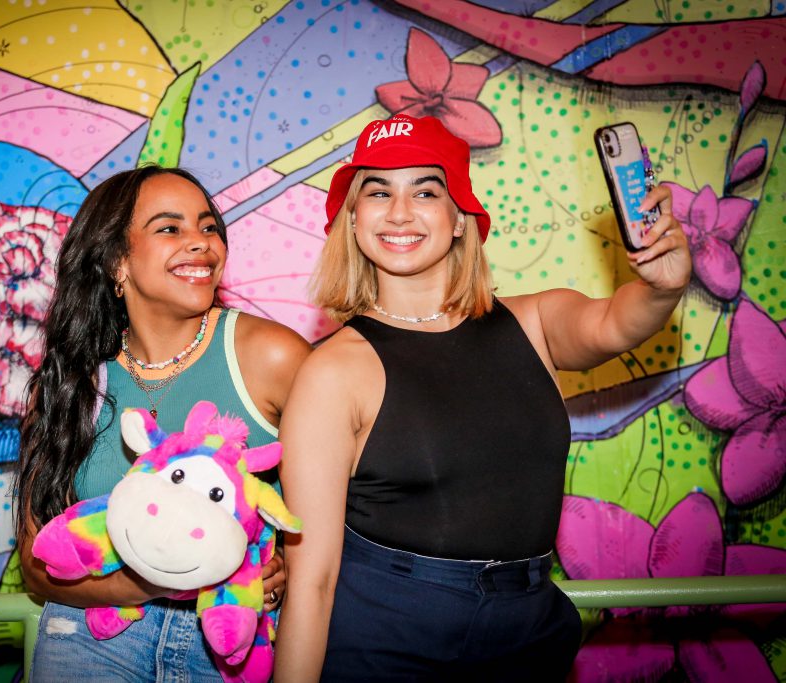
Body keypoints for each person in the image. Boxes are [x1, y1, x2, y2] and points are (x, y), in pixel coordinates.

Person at [273, 114, 692, 681]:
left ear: (460, 220)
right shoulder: (332, 371)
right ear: (352, 220)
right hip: (392, 635)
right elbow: (313, 579)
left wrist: (661, 288)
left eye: (425, 190)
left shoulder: (535, 320)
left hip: (530, 628)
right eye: (378, 193)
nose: (399, 212)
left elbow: (617, 324)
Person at [15, 166, 311, 682]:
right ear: (116, 262)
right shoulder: (69, 386)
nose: (200, 243)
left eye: (209, 227)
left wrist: (283, 568)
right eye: (170, 228)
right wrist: (162, 579)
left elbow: (333, 526)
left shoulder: (272, 357)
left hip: (230, 644)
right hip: (90, 641)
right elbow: (37, 568)